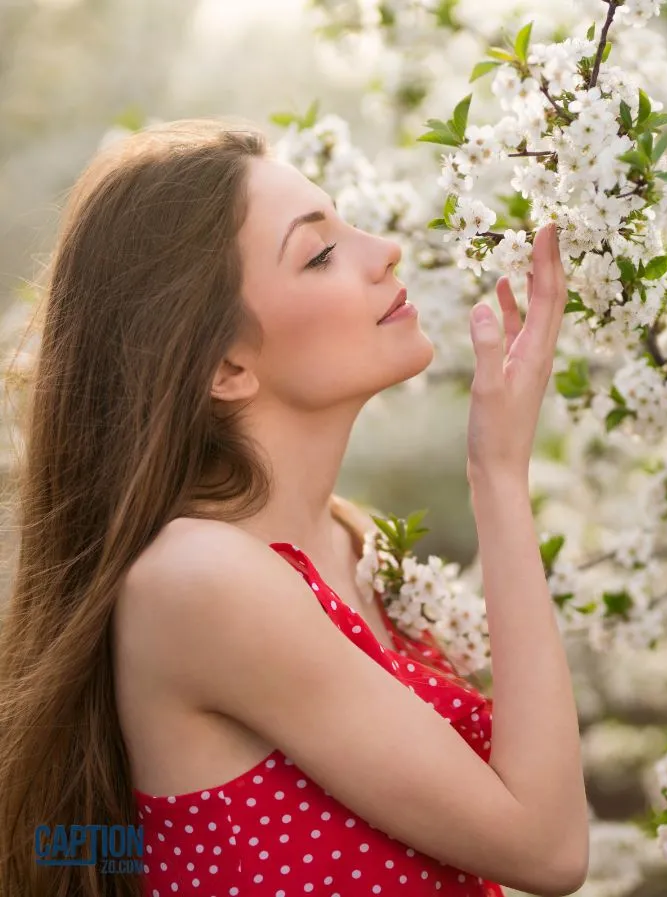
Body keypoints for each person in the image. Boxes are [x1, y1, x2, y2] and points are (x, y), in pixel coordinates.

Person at [0, 119, 589, 897]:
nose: (385, 249)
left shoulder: (350, 540)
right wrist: (498, 474)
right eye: (319, 253)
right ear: (226, 364)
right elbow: (547, 850)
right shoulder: (200, 579)